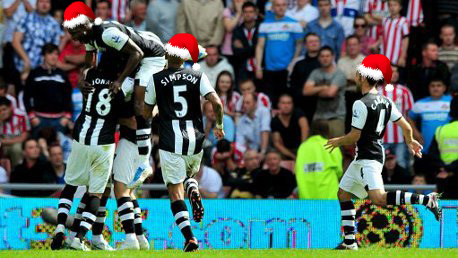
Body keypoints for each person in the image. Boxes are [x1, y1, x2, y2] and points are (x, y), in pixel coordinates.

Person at [324, 54, 441, 250]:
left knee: (378, 199)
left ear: (362, 77)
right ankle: (350, 242)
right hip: (368, 155)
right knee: (343, 193)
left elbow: (354, 136)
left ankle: (426, 200)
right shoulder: (386, 101)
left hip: (369, 156)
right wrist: (410, 140)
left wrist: (339, 141)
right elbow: (405, 125)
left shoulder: (360, 104)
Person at [62, 1, 166, 186]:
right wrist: (81, 78)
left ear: (84, 27)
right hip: (137, 54)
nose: (75, 40)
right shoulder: (90, 37)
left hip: (152, 55)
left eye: (76, 35)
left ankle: (144, 163)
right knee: (114, 97)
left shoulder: (107, 33)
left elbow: (137, 54)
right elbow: (89, 64)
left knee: (138, 104)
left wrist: (119, 81)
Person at [143, 33, 225, 252]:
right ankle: (192, 184)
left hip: (170, 140)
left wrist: (156, 107)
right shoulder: (198, 75)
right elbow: (216, 102)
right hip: (195, 140)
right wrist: (218, 125)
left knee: (174, 190)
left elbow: (145, 112)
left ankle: (190, 238)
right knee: (187, 176)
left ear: (167, 55)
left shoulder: (157, 79)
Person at [50, 63, 132, 250]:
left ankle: (61, 227)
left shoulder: (90, 75)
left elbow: (86, 67)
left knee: (70, 185)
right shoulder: (121, 86)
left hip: (81, 137)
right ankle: (79, 238)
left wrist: (82, 81)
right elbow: (127, 115)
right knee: (97, 193)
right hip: (104, 142)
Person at [255, 0, 303, 106]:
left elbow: (299, 45)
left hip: (287, 70)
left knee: (286, 102)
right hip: (269, 70)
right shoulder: (265, 24)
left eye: (283, 5)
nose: (281, 8)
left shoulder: (294, 24)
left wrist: (293, 63)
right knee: (270, 102)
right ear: (272, 7)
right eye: (278, 5)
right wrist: (258, 67)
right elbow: (260, 46)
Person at [23, 44, 73, 137]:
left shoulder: (62, 74)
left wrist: (67, 117)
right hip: (39, 119)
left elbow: (68, 97)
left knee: (59, 149)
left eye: (56, 54)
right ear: (44, 56)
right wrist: (32, 117)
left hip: (60, 120)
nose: (54, 56)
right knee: (39, 149)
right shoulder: (34, 73)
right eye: (50, 53)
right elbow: (26, 96)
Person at [12, 0, 63, 82]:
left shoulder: (54, 23)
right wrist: (26, 60)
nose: (44, 4)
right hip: (24, 67)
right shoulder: (25, 19)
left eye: (47, 2)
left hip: (44, 69)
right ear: (36, 4)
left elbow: (55, 48)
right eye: (42, 1)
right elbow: (15, 41)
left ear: (50, 5)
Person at [303, 46, 347, 138]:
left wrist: (314, 90)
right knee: (316, 149)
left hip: (336, 118)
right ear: (318, 58)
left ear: (333, 57)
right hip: (318, 117)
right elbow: (306, 91)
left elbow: (330, 93)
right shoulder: (315, 73)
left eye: (327, 56)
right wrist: (323, 87)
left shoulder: (339, 74)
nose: (325, 58)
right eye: (322, 56)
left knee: (336, 149)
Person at [377, 65, 414, 170]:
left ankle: (401, 186)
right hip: (381, 138)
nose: (395, 74)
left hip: (400, 137)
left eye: (396, 71)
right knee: (380, 166)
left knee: (401, 163)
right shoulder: (375, 93)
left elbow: (409, 115)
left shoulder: (404, 91)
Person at [295, 120, 343, 199]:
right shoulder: (331, 144)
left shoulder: (302, 147)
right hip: (328, 196)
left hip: (306, 197)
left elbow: (298, 170)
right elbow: (339, 171)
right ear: (327, 131)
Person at [408, 78, 451, 156]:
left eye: (439, 86)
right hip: (427, 147)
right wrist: (416, 133)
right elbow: (409, 118)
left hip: (448, 147)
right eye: (433, 86)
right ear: (429, 88)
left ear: (444, 88)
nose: (435, 88)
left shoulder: (452, 102)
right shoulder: (420, 104)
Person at [430, 96, 458, 199]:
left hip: (444, 177)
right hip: (450, 174)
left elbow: (432, 155)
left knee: (447, 213)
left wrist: (444, 168)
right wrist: (452, 170)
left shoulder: (441, 130)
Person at [290, 33, 321, 122]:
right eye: (311, 42)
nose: (314, 44)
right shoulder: (298, 63)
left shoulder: (326, 61)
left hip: (321, 105)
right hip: (301, 105)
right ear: (305, 45)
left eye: (316, 41)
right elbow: (292, 85)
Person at [271, 94, 309, 160]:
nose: (286, 106)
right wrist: (294, 157)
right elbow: (277, 143)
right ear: (278, 105)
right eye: (283, 103)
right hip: (286, 151)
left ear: (292, 105)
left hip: (302, 147)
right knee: (275, 156)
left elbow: (305, 128)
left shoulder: (298, 113)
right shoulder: (275, 121)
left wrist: (302, 150)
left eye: (289, 103)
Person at [232, 1, 259, 82]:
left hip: (260, 67)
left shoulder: (261, 28)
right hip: (242, 67)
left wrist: (244, 48)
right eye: (245, 12)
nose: (248, 14)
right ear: (242, 14)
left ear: (255, 13)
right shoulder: (237, 30)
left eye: (251, 12)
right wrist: (255, 48)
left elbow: (263, 50)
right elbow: (236, 52)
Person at [0, 96, 29, 167]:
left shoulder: (21, 115)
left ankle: (17, 173)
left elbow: (24, 137)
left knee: (16, 149)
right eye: (0, 111)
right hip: (3, 139)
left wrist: (3, 141)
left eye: (4, 109)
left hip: (17, 141)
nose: (2, 113)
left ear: (10, 107)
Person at [381, 0, 409, 67]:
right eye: (390, 5)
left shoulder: (403, 21)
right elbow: (383, 36)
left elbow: (406, 39)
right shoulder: (385, 20)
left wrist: (402, 57)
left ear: (400, 7)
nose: (392, 7)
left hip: (396, 58)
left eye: (395, 5)